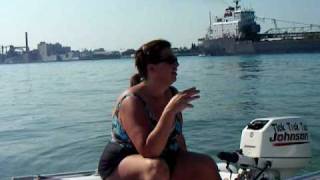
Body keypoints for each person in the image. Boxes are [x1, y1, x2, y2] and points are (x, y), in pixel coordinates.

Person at [98, 39, 221, 180]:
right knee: (156, 168)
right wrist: (169, 112)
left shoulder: (172, 94)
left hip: (162, 160)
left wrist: (188, 164)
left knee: (206, 164)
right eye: (170, 60)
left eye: (175, 59)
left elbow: (178, 138)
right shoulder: (132, 101)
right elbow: (149, 151)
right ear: (151, 69)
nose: (177, 64)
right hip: (121, 166)